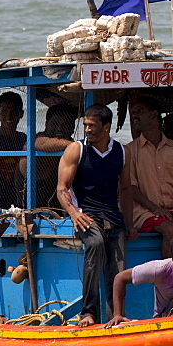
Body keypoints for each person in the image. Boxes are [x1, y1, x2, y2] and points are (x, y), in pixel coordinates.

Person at [56, 104, 129, 327]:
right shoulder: (76, 150)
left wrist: (130, 222)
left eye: (93, 125)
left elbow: (126, 190)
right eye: (86, 125)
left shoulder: (121, 151)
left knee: (117, 269)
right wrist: (73, 214)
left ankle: (116, 315)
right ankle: (88, 313)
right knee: (95, 244)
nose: (87, 129)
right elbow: (62, 188)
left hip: (113, 216)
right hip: (86, 215)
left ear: (107, 127)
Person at [121, 95, 173, 259]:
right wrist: (154, 208)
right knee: (169, 229)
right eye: (133, 112)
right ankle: (169, 279)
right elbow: (131, 188)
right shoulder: (129, 150)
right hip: (145, 211)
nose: (135, 116)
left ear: (153, 114)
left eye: (140, 111)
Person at [14, 104, 78, 209]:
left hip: (59, 211)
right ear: (46, 124)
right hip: (30, 211)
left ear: (72, 128)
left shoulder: (71, 149)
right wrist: (76, 146)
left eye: (66, 125)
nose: (59, 129)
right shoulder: (36, 141)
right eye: (55, 123)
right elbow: (41, 143)